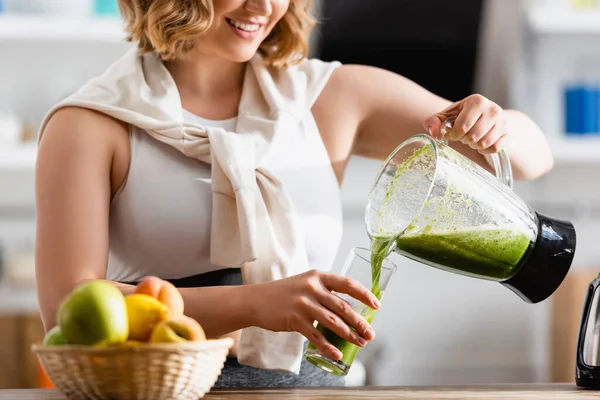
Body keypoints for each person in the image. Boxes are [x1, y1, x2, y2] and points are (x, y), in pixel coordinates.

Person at [34, 0, 554, 388]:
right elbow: (67, 309)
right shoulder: (90, 124)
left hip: (311, 390)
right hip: (155, 392)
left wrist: (494, 123)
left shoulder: (328, 98)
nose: (264, 7)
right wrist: (257, 303)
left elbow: (532, 159)